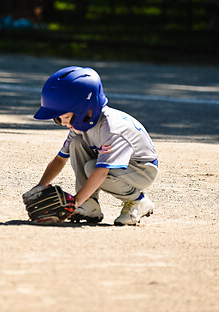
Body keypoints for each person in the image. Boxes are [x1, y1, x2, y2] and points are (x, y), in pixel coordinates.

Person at [24, 66, 159, 226]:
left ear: (87, 109)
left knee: (91, 168)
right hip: (120, 168)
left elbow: (101, 172)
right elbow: (60, 159)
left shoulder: (111, 128)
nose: (64, 124)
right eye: (58, 119)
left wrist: (74, 203)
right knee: (77, 144)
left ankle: (138, 201)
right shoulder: (80, 126)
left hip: (142, 170)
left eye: (67, 117)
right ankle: (89, 205)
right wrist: (41, 186)